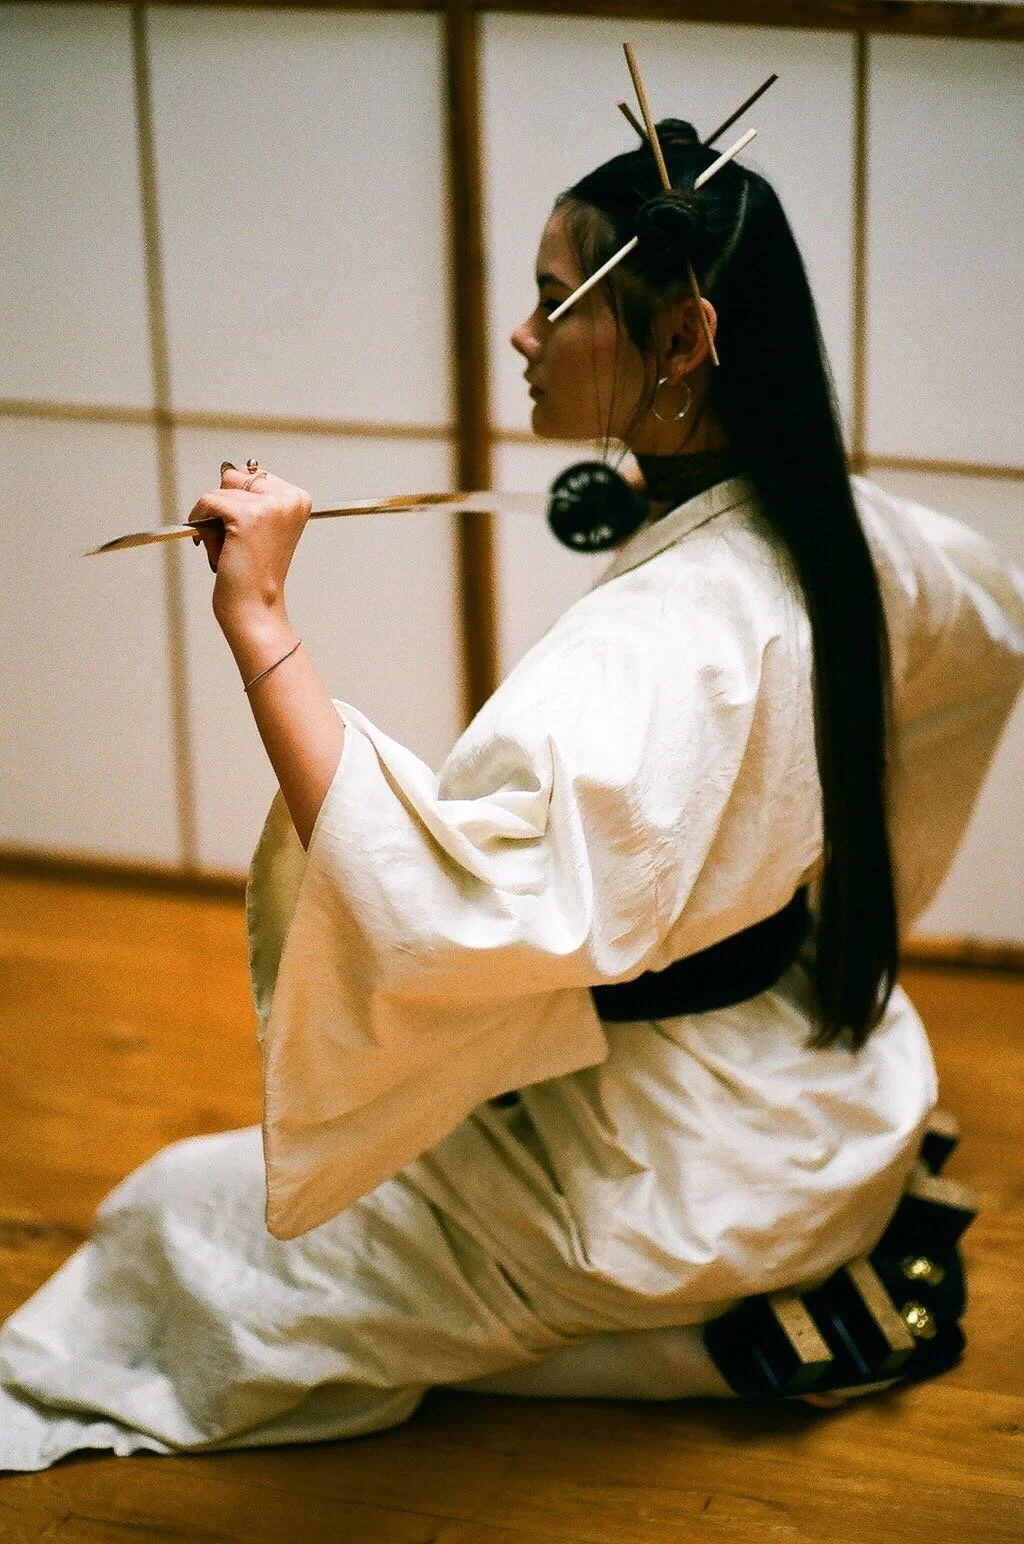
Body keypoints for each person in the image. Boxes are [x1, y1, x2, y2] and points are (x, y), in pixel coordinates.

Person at [2, 120, 1022, 1471]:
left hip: (673, 1170)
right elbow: (985, 637)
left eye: (554, 301)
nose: (524, 337)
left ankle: (681, 1346)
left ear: (680, 342)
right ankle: (695, 1313)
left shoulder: (661, 644)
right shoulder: (862, 531)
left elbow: (434, 908)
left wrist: (259, 620)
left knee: (174, 1227)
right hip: (818, 1092)